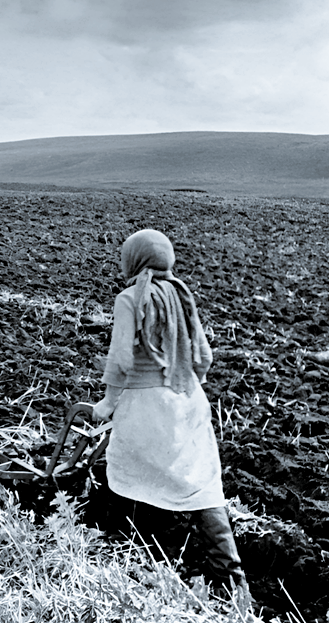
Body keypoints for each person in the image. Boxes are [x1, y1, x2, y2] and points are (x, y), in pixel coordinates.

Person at [92, 229, 251, 602]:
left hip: (147, 405)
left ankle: (127, 552)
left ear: (133, 260)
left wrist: (109, 403)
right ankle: (234, 585)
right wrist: (182, 382)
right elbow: (205, 357)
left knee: (127, 468)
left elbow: (120, 361)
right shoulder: (181, 295)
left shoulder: (130, 298)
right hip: (189, 400)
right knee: (199, 484)